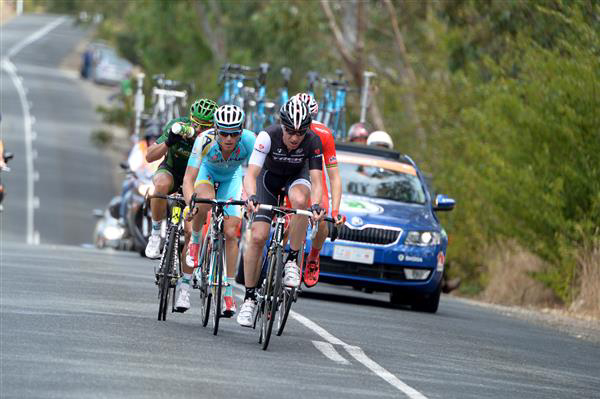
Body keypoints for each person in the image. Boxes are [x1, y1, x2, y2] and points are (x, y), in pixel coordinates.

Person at [237, 98, 326, 327]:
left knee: (300, 202)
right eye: (290, 131)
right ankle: (248, 299)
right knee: (257, 237)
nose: (295, 138)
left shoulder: (313, 141)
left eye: (300, 132)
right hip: (268, 180)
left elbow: (316, 181)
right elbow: (251, 173)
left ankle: (291, 261)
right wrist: (251, 196)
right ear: (281, 126)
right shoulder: (267, 136)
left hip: (296, 178)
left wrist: (316, 204)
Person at [176, 104, 255, 314]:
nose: (229, 139)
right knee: (205, 198)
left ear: (242, 130)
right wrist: (189, 203)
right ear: (216, 130)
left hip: (232, 178)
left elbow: (257, 174)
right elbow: (188, 178)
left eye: (234, 134)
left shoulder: (250, 140)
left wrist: (251, 199)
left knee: (231, 232)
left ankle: (228, 294)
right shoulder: (204, 140)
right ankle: (193, 247)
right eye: (224, 133)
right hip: (207, 174)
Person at [144, 98, 218, 260]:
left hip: (196, 179)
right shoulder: (178, 125)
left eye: (204, 127)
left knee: (190, 230)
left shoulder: (216, 137)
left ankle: (185, 281)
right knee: (161, 184)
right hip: (172, 170)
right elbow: (149, 156)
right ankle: (155, 234)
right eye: (195, 124)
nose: (198, 130)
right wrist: (168, 143)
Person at [291, 93, 345, 287]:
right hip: (288, 174)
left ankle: (313, 256)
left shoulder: (323, 134)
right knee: (284, 220)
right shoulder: (282, 131)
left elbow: (334, 176)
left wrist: (335, 210)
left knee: (321, 221)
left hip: (314, 176)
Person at [118, 119, 162, 223]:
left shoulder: (163, 150)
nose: (153, 141)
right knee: (126, 188)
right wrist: (132, 171)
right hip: (140, 182)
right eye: (151, 138)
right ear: (147, 138)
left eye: (156, 138)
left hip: (155, 185)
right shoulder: (140, 147)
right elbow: (133, 163)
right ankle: (122, 220)